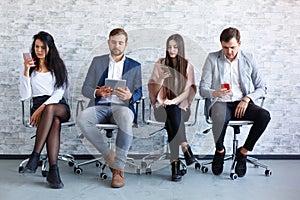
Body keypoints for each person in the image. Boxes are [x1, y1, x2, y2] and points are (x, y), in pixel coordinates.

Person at [199, 27, 271, 177]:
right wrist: (214, 92)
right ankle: (220, 151)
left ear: (239, 43)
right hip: (220, 102)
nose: (229, 51)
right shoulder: (212, 58)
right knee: (219, 114)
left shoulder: (248, 58)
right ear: (221, 45)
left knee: (264, 116)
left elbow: (262, 87)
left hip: (241, 103)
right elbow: (202, 89)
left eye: (232, 47)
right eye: (225, 48)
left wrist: (247, 99)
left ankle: (243, 152)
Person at [77, 28, 142, 188]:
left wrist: (130, 96)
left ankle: (119, 170)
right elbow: (85, 88)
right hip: (100, 106)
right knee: (82, 118)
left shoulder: (135, 65)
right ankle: (109, 156)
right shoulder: (97, 61)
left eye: (120, 43)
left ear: (125, 44)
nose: (116, 46)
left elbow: (139, 92)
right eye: (113, 42)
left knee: (126, 117)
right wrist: (98, 92)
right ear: (108, 42)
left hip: (121, 108)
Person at [19, 31, 70, 189]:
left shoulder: (58, 66)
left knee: (51, 111)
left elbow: (59, 92)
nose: (39, 50)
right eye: (36, 47)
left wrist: (42, 108)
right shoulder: (31, 68)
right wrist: (26, 71)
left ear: (50, 48)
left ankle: (35, 156)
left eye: (43, 47)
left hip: (59, 105)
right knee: (54, 122)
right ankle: (53, 172)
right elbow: (25, 95)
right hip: (40, 107)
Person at [148, 34, 197, 182]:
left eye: (175, 47)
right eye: (169, 47)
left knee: (173, 116)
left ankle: (175, 165)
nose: (171, 50)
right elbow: (153, 90)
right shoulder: (160, 63)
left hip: (181, 108)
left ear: (180, 48)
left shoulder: (187, 65)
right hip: (161, 109)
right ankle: (185, 146)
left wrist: (173, 101)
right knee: (172, 116)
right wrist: (162, 78)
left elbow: (189, 91)